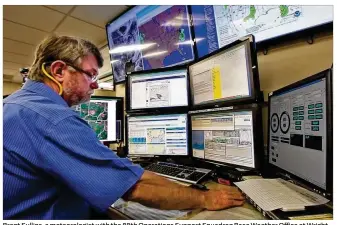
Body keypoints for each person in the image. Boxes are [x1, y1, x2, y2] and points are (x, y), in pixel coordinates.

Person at [3, 35, 245, 219]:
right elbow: (136, 188)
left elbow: (129, 177)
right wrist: (206, 198)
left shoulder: (13, 105)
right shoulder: (52, 119)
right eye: (91, 75)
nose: (95, 85)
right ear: (58, 71)